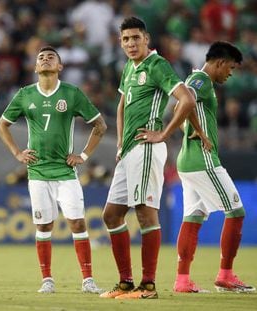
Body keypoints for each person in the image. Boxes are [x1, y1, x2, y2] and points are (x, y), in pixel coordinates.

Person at [99, 16, 196, 300]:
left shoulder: (157, 65)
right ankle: (126, 282)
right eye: (126, 39)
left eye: (135, 38)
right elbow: (121, 105)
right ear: (120, 42)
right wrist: (119, 142)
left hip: (147, 148)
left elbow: (186, 99)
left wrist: (163, 133)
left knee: (144, 211)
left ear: (146, 39)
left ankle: (149, 286)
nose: (130, 43)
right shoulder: (129, 68)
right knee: (111, 214)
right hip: (129, 150)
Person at [0, 46, 107, 294]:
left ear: (60, 67)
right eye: (40, 58)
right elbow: (2, 125)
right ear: (35, 68)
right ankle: (47, 280)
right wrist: (17, 152)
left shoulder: (71, 93)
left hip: (66, 172)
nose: (45, 59)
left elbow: (100, 125)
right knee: (43, 227)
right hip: (37, 172)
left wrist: (84, 155)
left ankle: (87, 280)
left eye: (51, 57)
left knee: (77, 223)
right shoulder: (25, 95)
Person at [173, 41, 255, 293]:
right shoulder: (201, 80)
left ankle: (182, 280)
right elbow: (182, 103)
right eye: (230, 68)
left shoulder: (196, 79)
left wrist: (188, 128)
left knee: (193, 216)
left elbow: (181, 107)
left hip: (187, 161)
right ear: (219, 62)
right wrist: (200, 132)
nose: (230, 74)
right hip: (203, 160)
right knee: (236, 212)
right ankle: (226, 275)